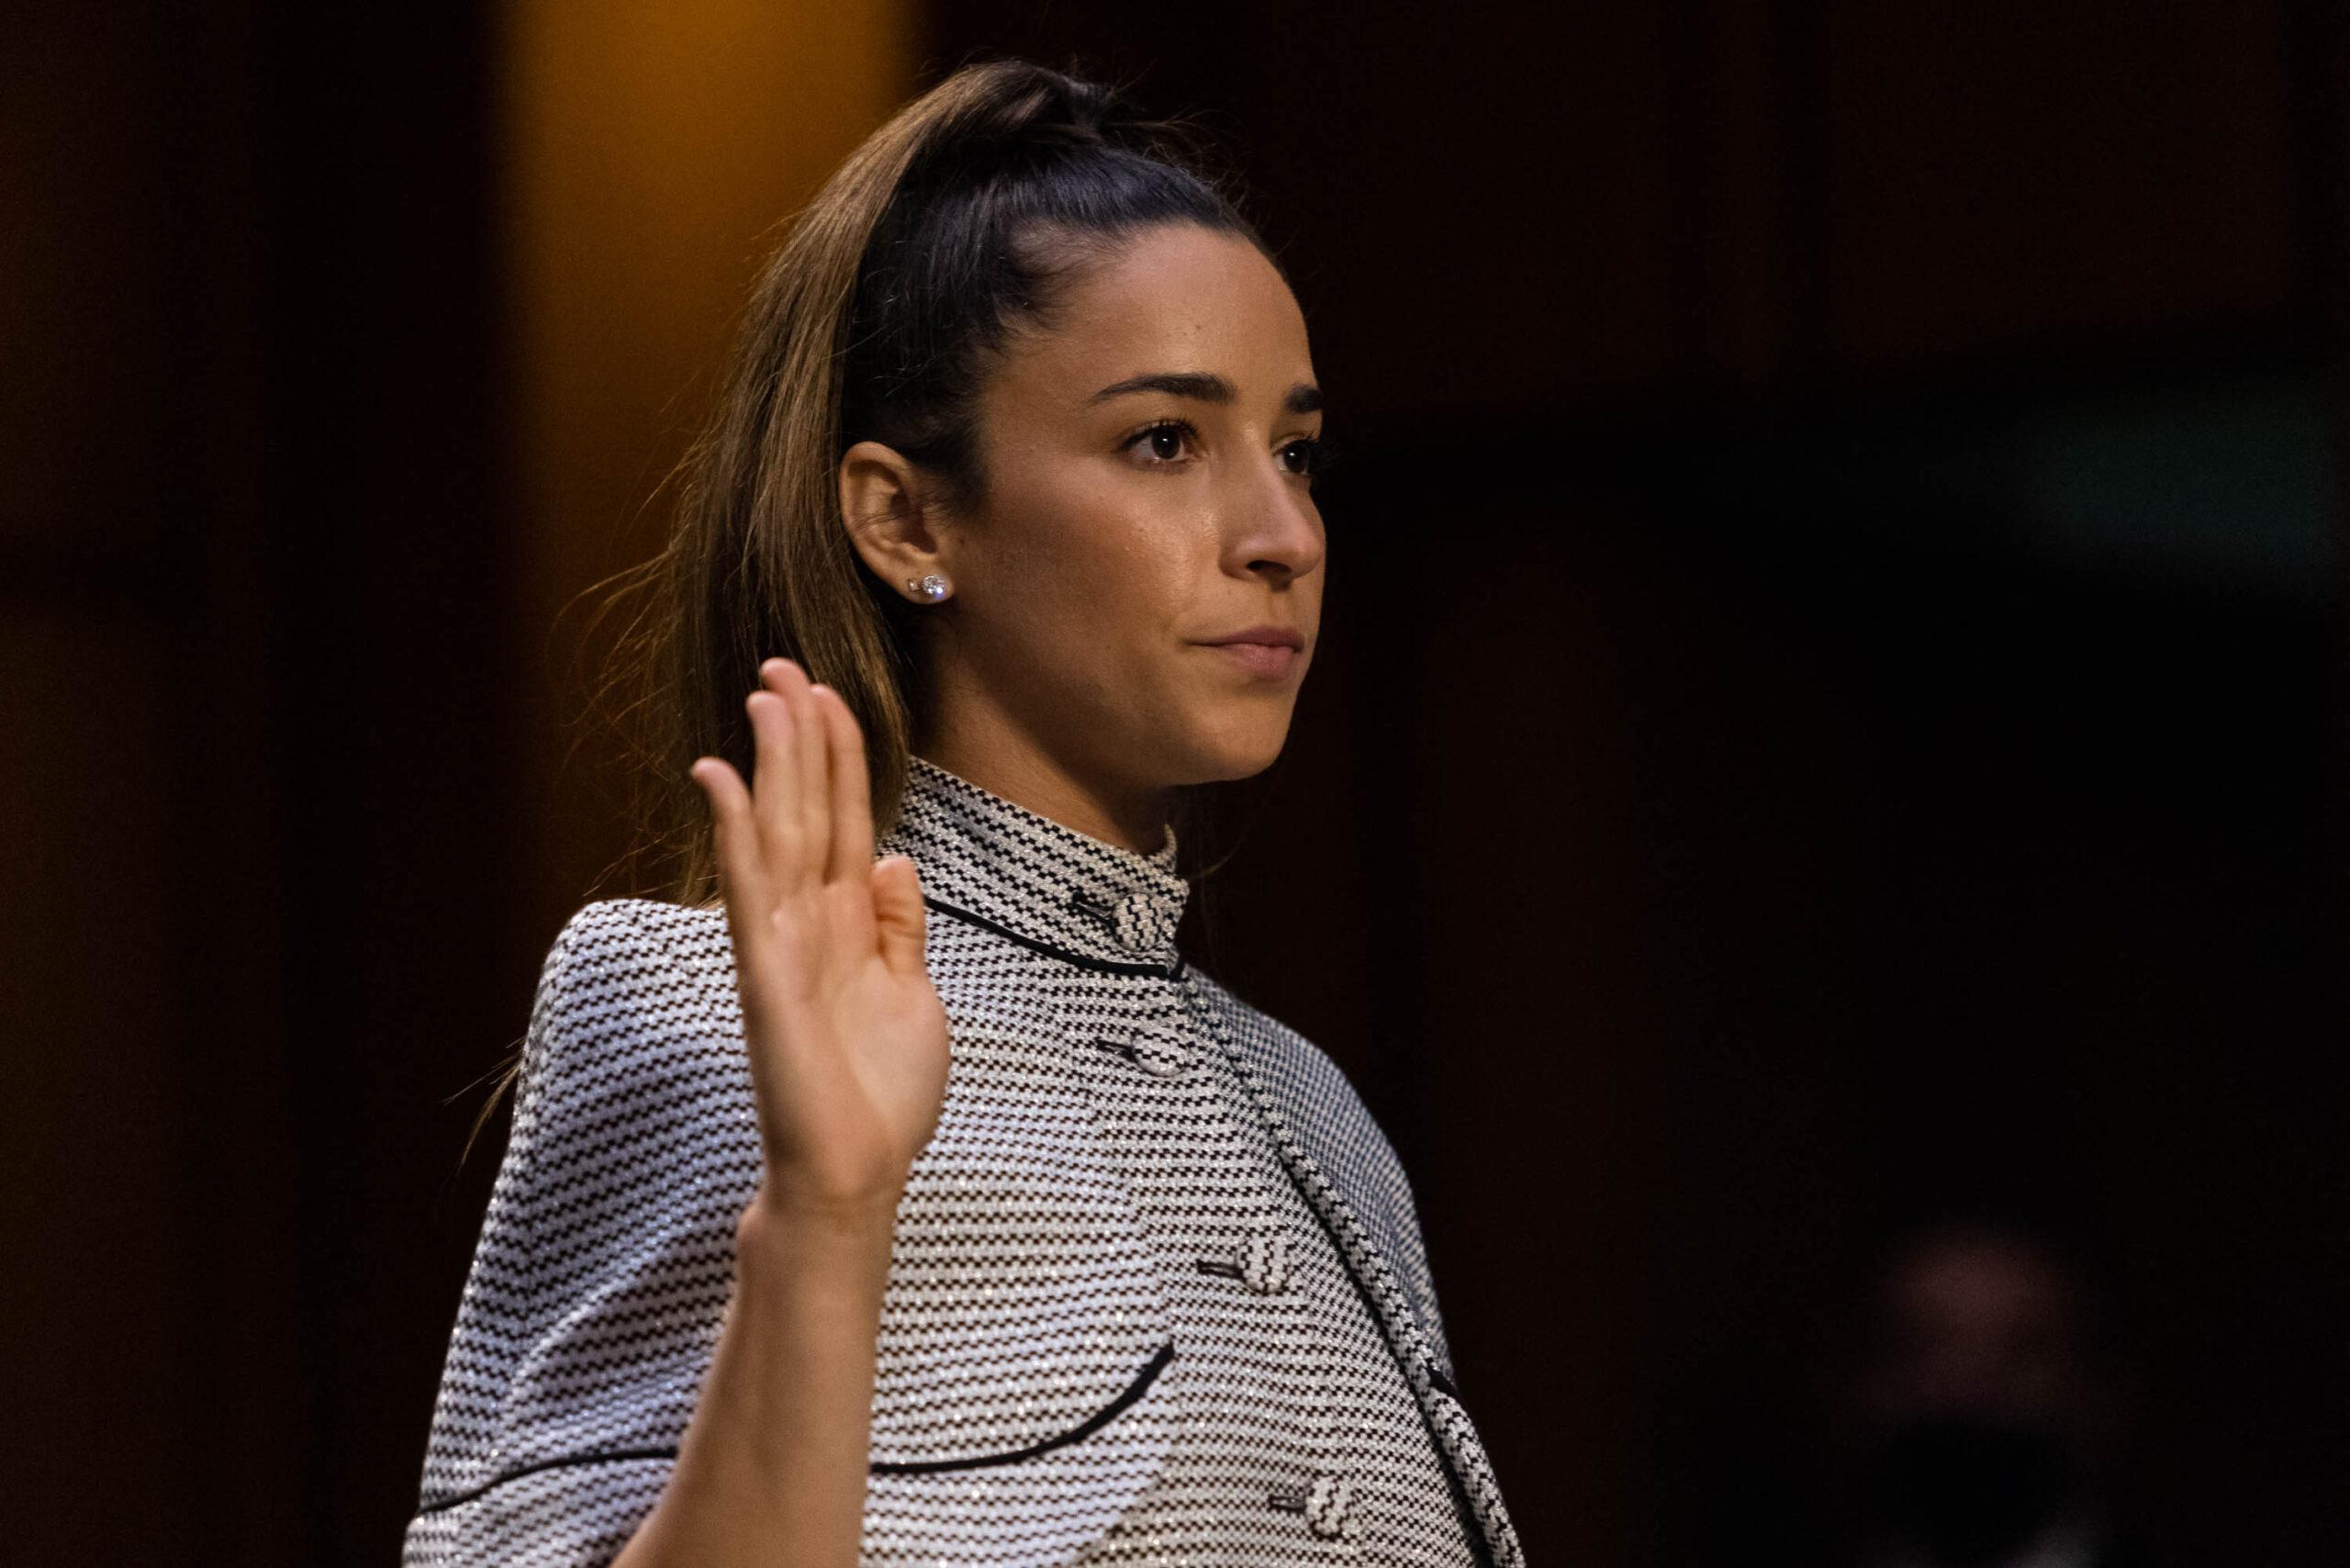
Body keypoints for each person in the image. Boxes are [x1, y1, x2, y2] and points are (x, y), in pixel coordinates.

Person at [399, 58, 1521, 1568]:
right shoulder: (693, 1006)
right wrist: (824, 1216)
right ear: (906, 517)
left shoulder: (1312, 1109)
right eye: (1165, 442)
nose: (1282, 536)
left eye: (1298, 452)